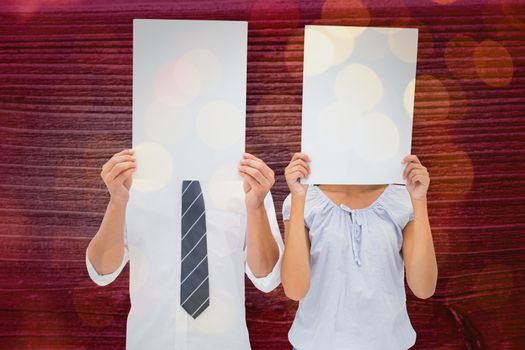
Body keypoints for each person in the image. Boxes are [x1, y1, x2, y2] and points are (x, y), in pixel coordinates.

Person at [86, 148, 284, 350]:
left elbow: (267, 278)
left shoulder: (245, 179)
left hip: (225, 343)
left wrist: (256, 206)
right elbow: (102, 272)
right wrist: (116, 202)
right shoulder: (134, 178)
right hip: (150, 342)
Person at [281, 152, 438, 350]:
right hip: (316, 343)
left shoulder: (401, 200)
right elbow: (295, 290)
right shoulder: (305, 200)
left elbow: (424, 288)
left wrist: (419, 200)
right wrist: (298, 197)